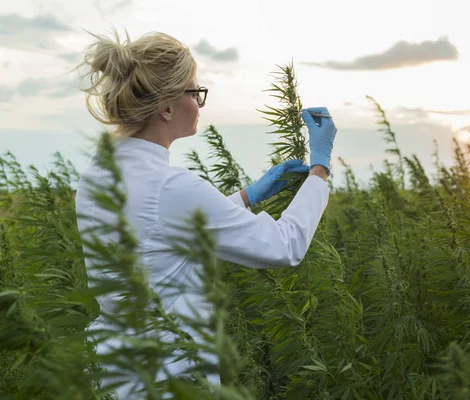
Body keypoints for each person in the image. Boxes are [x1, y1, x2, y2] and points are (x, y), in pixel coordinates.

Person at [74, 29, 337, 398]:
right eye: (194, 93)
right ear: (166, 106)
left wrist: (246, 196)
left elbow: (157, 233)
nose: (199, 103)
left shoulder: (97, 175)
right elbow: (283, 246)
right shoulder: (171, 186)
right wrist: (320, 170)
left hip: (113, 373)